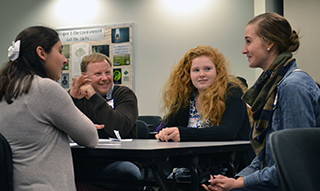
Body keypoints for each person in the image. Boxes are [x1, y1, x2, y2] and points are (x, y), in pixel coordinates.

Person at [203, 12, 320, 191]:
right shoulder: (273, 86)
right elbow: (266, 156)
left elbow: (295, 165)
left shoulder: (292, 87)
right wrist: (236, 180)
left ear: (269, 43)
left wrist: (240, 183)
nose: (244, 49)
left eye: (249, 41)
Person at [0, 26, 99, 191]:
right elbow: (90, 137)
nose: (64, 59)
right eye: (60, 51)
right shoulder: (44, 88)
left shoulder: (5, 88)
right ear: (41, 53)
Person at [155, 45, 251, 185]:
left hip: (228, 171)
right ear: (188, 74)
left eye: (207, 69)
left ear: (218, 71)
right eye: (195, 70)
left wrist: (183, 134)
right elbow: (166, 127)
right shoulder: (185, 98)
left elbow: (227, 132)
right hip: (188, 168)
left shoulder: (232, 92)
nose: (201, 74)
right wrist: (163, 134)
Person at [69, 52, 142, 189]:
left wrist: (93, 96)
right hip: (84, 161)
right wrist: (71, 99)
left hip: (117, 161)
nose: (105, 78)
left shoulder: (124, 94)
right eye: (98, 74)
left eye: (108, 72)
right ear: (85, 77)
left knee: (128, 171)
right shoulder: (76, 97)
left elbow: (119, 128)